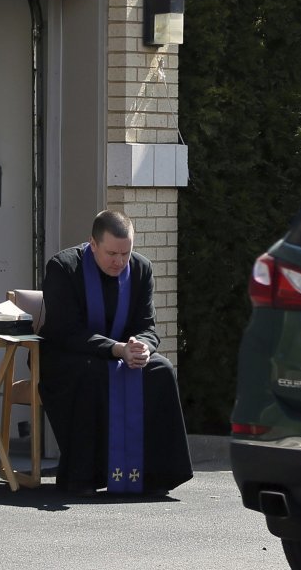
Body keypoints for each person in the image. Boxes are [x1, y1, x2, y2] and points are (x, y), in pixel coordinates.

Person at [39, 210, 193, 497]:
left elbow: (148, 326)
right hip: (70, 354)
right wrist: (115, 349)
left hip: (124, 352)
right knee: (91, 373)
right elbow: (66, 331)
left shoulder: (142, 269)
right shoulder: (63, 267)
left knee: (160, 370)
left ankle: (155, 475)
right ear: (92, 244)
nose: (120, 262)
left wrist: (141, 346)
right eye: (111, 253)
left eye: (126, 253)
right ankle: (84, 475)